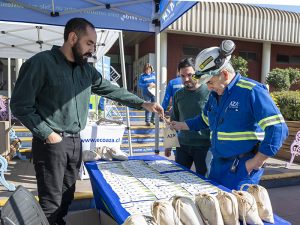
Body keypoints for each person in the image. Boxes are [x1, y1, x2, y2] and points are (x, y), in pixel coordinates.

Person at [10, 18, 164, 225]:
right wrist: (48, 134)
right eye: (89, 43)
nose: (93, 49)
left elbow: (112, 90)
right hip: (51, 144)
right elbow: (20, 105)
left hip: (75, 142)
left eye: (94, 44)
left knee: (67, 197)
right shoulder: (41, 63)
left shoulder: (86, 71)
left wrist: (144, 104)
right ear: (73, 38)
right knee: (51, 204)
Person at [170, 40, 288, 190]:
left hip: (241, 168)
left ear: (225, 74)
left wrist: (255, 162)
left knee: (238, 211)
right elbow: (204, 120)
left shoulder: (251, 91)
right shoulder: (215, 95)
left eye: (210, 82)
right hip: (217, 165)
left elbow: (277, 128)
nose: (208, 87)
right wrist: (180, 125)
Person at [165, 58, 210, 176]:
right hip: (183, 146)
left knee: (204, 182)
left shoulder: (210, 92)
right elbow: (173, 120)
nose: (186, 79)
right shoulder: (178, 95)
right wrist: (169, 144)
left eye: (190, 75)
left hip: (204, 147)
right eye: (182, 76)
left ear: (197, 73)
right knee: (179, 178)